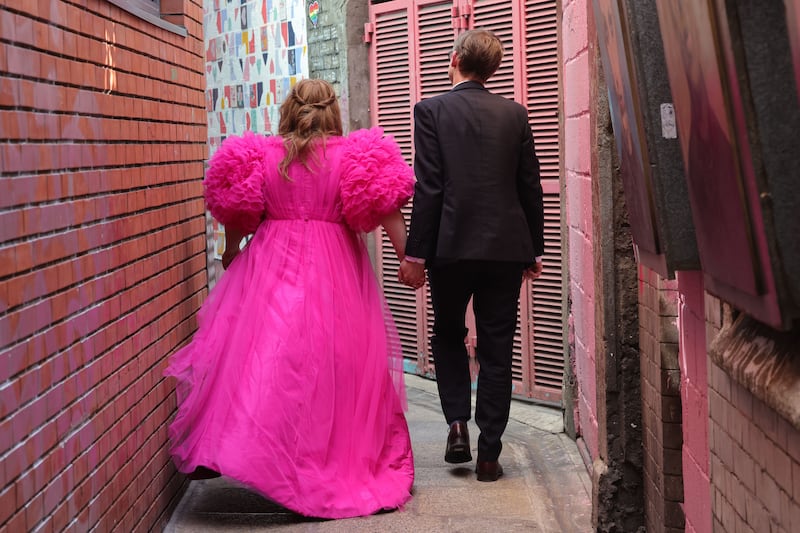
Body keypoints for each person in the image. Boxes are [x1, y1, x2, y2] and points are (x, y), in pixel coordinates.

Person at [165, 79, 416, 518]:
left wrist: (229, 250)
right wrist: (407, 258)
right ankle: (323, 458)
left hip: (271, 263)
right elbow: (387, 207)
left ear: (290, 109)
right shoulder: (352, 155)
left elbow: (240, 210)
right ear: (332, 109)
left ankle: (258, 453)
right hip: (334, 266)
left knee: (267, 361)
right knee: (333, 367)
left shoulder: (262, 156)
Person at [399, 29, 544, 482]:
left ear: (456, 58)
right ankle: (489, 453)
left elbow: (430, 188)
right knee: (499, 349)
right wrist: (534, 248)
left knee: (447, 335)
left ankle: (458, 424)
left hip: (451, 249)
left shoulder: (430, 111)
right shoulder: (515, 115)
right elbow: (529, 189)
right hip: (505, 249)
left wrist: (416, 255)